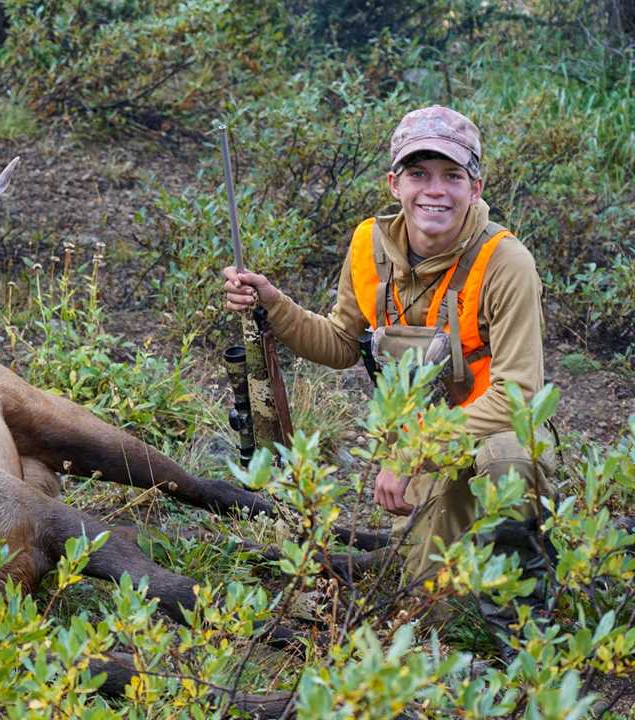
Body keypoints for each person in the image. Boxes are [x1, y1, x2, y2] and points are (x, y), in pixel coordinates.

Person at [221, 105, 554, 651]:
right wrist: (274, 304)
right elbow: (338, 344)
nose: (435, 191)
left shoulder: (506, 262)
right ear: (394, 182)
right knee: (428, 608)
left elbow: (518, 396)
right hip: (429, 454)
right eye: (419, 174)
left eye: (452, 176)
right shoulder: (368, 245)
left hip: (491, 437)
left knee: (508, 460)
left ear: (476, 185)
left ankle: (527, 637)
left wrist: (407, 455)